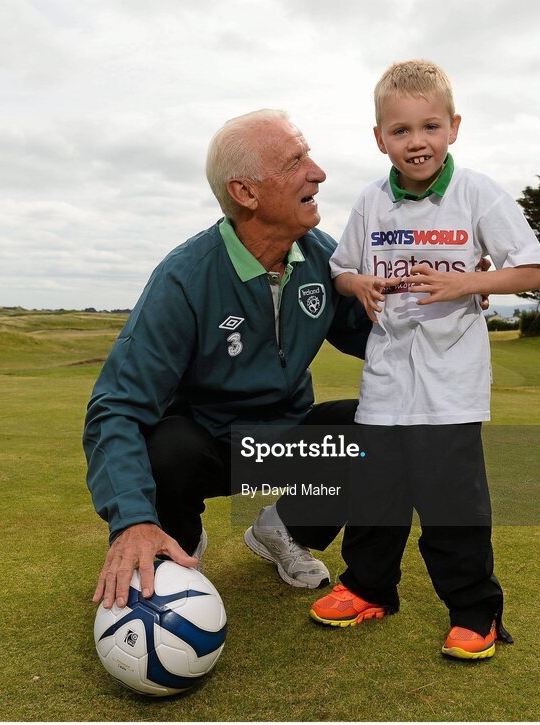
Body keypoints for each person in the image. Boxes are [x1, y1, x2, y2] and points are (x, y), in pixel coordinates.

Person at [83, 109, 373, 611]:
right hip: (208, 449)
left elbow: (375, 335)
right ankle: (175, 552)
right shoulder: (184, 277)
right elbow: (116, 408)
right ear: (246, 193)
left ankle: (282, 528)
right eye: (296, 160)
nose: (318, 173)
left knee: (375, 423)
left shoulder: (323, 256)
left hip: (284, 442)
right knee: (167, 444)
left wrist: (450, 301)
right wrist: (131, 519)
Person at [309, 60, 540, 660]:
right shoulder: (370, 202)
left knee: (451, 503)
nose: (417, 142)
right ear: (379, 138)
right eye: (401, 131)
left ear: (454, 127)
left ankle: (474, 612)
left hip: (451, 383)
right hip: (386, 380)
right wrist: (359, 283)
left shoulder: (478, 194)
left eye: (430, 127)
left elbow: (536, 271)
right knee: (376, 493)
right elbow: (339, 271)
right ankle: (368, 587)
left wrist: (467, 283)